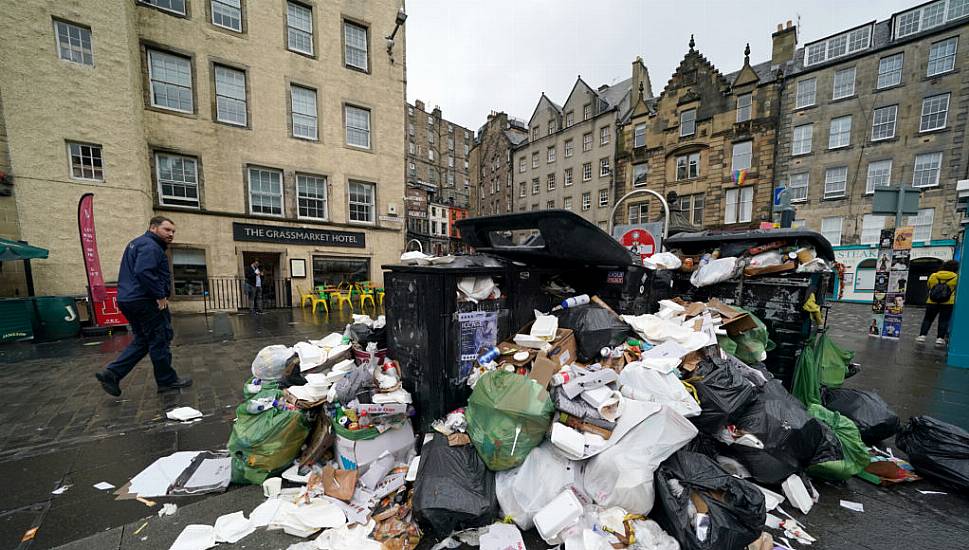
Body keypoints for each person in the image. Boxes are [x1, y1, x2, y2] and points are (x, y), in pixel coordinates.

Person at [95, 216, 192, 396]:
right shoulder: (151, 246)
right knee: (160, 338)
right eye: (167, 230)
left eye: (173, 231)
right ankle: (167, 381)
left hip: (129, 299)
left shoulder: (137, 243)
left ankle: (112, 373)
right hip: (146, 301)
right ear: (153, 228)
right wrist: (159, 294)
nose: (171, 234)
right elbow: (144, 271)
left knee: (143, 340)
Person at [917, 260, 959, 345]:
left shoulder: (934, 275)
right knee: (943, 320)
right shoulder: (956, 277)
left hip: (932, 301)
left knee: (928, 319)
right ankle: (940, 338)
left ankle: (922, 336)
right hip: (948, 302)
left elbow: (929, 286)